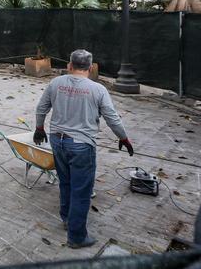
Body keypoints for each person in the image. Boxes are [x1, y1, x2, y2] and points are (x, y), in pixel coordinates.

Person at [33, 49, 134, 249]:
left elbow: (41, 108)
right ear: (90, 67)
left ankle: (67, 219)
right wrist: (124, 138)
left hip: (57, 141)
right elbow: (112, 118)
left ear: (69, 65)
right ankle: (77, 237)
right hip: (81, 145)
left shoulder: (55, 83)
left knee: (66, 182)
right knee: (81, 191)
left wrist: (39, 128)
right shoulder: (98, 89)